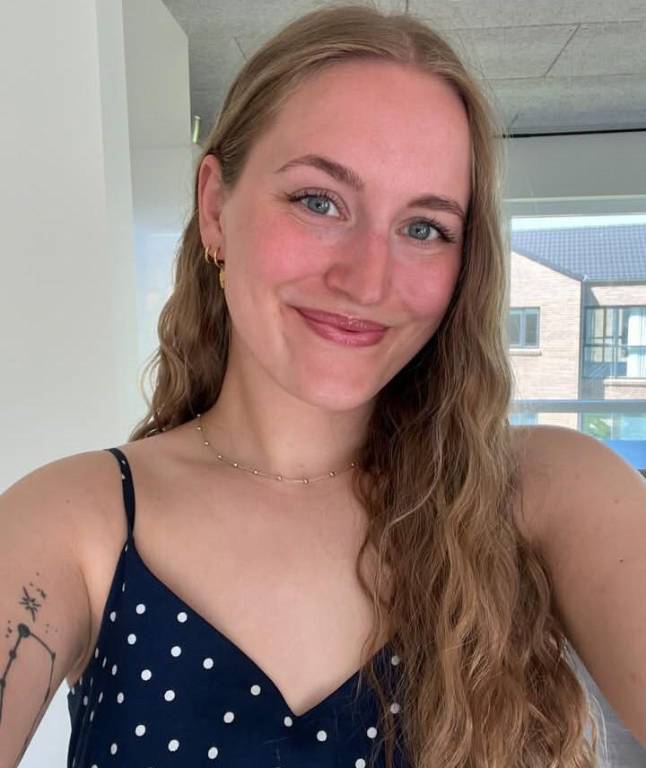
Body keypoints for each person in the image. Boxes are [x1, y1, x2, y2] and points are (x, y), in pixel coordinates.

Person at [2, 4, 645, 767]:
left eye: (424, 227)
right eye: (319, 201)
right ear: (215, 209)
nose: (368, 280)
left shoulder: (538, 493)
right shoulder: (78, 521)